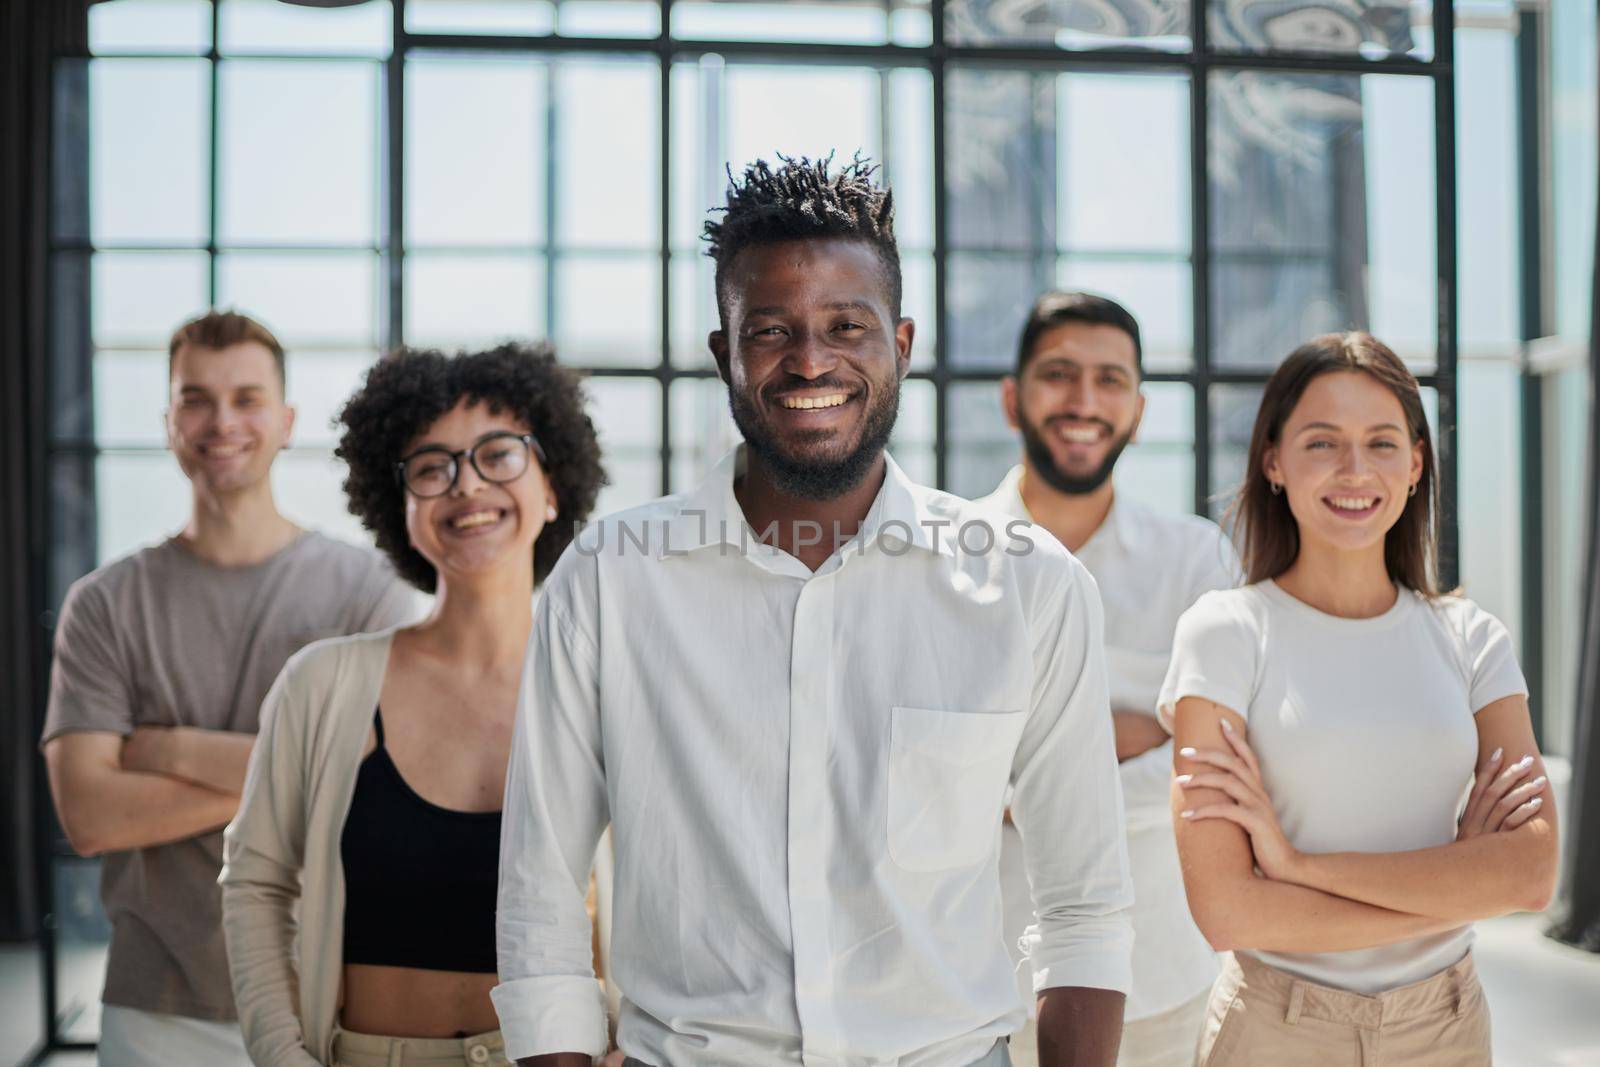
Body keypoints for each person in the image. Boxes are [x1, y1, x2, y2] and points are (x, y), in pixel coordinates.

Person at [491, 154, 1134, 1067]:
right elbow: (540, 896)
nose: (809, 361)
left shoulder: (1031, 586)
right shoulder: (609, 579)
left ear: (901, 345)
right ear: (724, 353)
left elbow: (1084, 906)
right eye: (769, 330)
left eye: (846, 325)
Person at [1160, 332, 1558, 1065]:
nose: (1354, 469)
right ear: (1274, 461)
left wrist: (1297, 867)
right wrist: (1457, 880)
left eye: (1381, 442)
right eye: (1322, 442)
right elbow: (1226, 909)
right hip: (1276, 1030)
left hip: (1448, 1026)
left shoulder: (1473, 639)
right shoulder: (1224, 633)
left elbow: (1530, 874)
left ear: (1415, 465)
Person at [40, 310, 417, 1066]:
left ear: (285, 420)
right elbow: (88, 814)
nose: (222, 421)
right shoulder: (104, 602)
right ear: (169, 421)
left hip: (331, 993)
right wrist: (301, 774)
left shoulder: (367, 590)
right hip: (157, 1009)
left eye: (247, 398)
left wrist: (166, 748)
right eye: (196, 399)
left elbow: (373, 788)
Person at [219, 343, 606, 1067]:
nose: (467, 485)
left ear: (553, 485)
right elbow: (256, 883)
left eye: (500, 453)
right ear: (398, 506)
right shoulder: (322, 685)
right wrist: (281, 1054)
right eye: (432, 467)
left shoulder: (606, 686)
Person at [976, 291, 1234, 1067]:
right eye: (1059, 373)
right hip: (980, 991)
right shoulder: (944, 560)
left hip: (1161, 985)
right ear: (1013, 398)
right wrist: (1132, 732)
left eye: (1111, 379)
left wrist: (1023, 777)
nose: (1085, 400)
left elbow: (1216, 772)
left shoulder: (1199, 562)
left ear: (1140, 409)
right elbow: (919, 766)